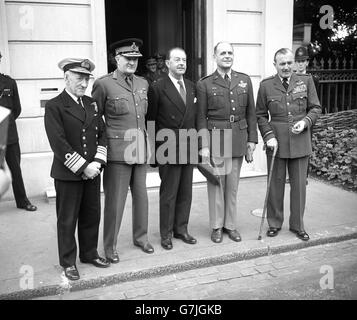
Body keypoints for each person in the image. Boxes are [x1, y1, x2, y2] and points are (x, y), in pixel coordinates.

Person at [44, 58, 110, 281]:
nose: (84, 83)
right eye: (79, 78)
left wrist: (98, 163)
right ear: (66, 78)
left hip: (93, 172)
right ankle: (68, 261)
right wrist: (83, 167)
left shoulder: (92, 103)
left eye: (87, 79)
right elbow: (58, 142)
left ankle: (89, 253)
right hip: (68, 175)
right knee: (67, 219)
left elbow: (102, 134)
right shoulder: (54, 105)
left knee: (92, 215)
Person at [92, 38, 154, 263]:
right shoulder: (104, 84)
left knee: (141, 198)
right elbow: (95, 120)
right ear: (116, 58)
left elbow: (144, 118)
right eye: (128, 58)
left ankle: (141, 237)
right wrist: (99, 152)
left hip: (139, 149)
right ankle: (110, 246)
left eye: (135, 59)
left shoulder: (143, 83)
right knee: (115, 202)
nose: (132, 62)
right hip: (117, 153)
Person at [256, 48, 321, 242]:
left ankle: (298, 225)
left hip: (300, 142)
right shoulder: (266, 85)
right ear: (274, 64)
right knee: (275, 185)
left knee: (299, 186)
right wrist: (268, 136)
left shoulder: (306, 81)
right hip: (275, 142)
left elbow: (316, 107)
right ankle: (274, 223)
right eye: (282, 63)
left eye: (289, 63)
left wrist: (306, 122)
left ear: (294, 64)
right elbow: (260, 114)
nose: (286, 67)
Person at [196, 42, 258, 243]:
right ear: (215, 56)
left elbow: (251, 113)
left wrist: (252, 140)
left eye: (230, 53)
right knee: (216, 184)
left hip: (239, 137)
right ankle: (216, 226)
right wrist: (204, 145)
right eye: (223, 53)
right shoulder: (205, 84)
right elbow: (201, 117)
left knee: (232, 186)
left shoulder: (244, 80)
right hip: (217, 138)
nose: (227, 56)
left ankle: (230, 226)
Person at [147, 47, 197, 250]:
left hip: (189, 145)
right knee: (169, 193)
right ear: (167, 63)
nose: (182, 63)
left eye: (184, 60)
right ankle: (166, 234)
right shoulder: (157, 87)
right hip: (167, 147)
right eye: (177, 60)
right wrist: (153, 152)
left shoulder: (193, 86)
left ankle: (181, 229)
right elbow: (150, 121)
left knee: (186, 192)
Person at [0, 51, 37, 211]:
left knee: (15, 170)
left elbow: (17, 108)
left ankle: (23, 202)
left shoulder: (9, 82)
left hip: (9, 136)